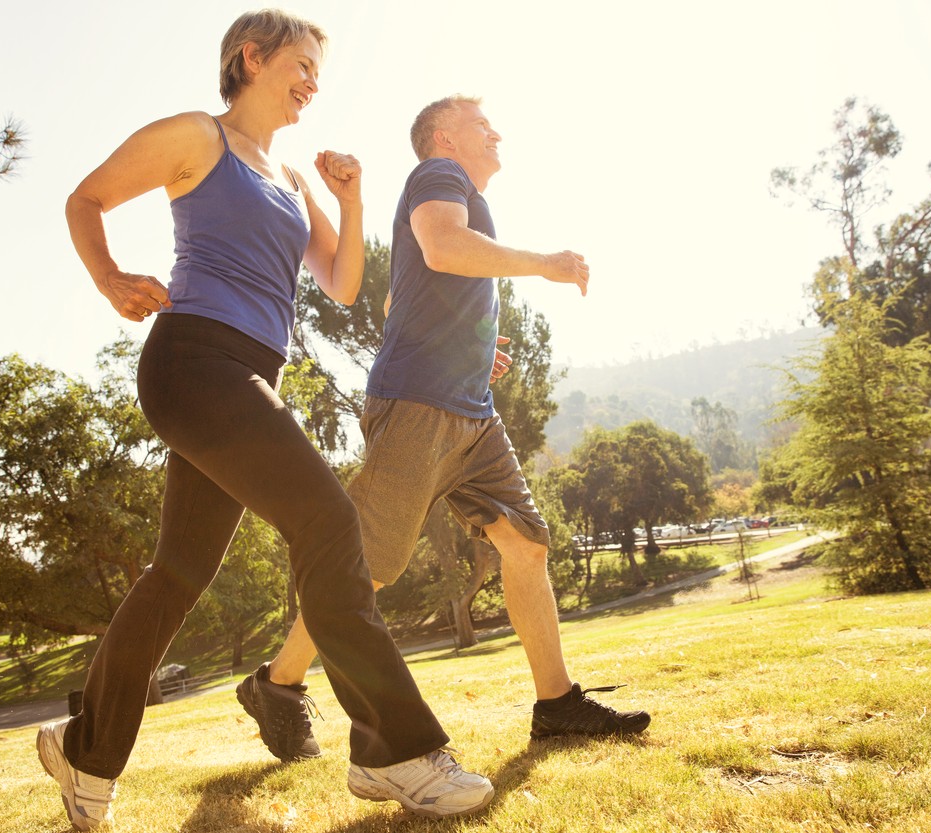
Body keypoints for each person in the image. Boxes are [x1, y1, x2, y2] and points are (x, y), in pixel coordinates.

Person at [37, 13, 493, 830]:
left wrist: (350, 200)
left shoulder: (288, 176)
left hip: (249, 374)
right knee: (328, 521)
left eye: (319, 71)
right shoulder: (197, 137)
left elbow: (343, 284)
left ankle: (85, 751)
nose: (313, 82)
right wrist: (109, 278)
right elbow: (86, 198)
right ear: (251, 57)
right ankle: (395, 749)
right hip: (193, 362)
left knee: (177, 574)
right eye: (302, 64)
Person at [238, 95, 650, 763]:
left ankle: (557, 705)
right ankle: (277, 683)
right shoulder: (438, 174)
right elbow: (442, 246)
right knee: (368, 567)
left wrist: (471, 345)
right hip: (419, 405)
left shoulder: (456, 194)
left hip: (470, 410)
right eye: (481, 124)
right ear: (444, 137)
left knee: (525, 543)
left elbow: (401, 295)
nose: (496, 132)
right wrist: (546, 263)